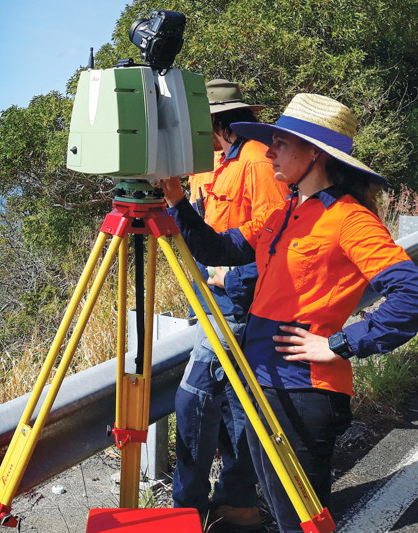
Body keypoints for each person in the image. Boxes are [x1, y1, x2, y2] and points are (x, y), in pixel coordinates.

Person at [161, 93, 418, 532]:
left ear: (314, 153)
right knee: (283, 511)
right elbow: (218, 248)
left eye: (281, 142)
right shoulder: (284, 211)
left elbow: (410, 294)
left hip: (304, 391)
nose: (271, 150)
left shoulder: (349, 218)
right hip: (264, 382)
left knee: (301, 520)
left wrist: (340, 343)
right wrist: (177, 201)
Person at [172, 79, 289, 530]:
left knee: (196, 396)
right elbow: (203, 228)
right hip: (207, 294)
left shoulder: (259, 164)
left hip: (240, 300)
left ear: (214, 122)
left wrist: (236, 277)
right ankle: (235, 503)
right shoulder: (212, 163)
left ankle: (191, 506)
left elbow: (277, 243)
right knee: (228, 407)